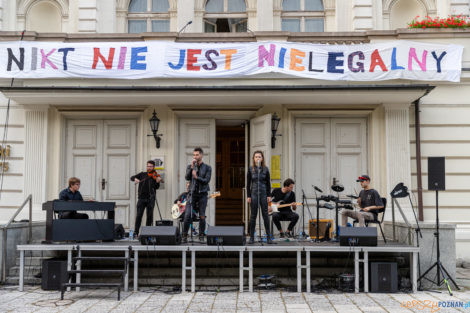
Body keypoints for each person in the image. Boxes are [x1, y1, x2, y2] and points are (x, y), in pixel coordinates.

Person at [182, 147, 212, 242]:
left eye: (197, 155)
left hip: (202, 194)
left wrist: (197, 177)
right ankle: (184, 235)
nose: (195, 156)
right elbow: (187, 177)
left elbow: (206, 181)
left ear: (201, 155)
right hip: (192, 193)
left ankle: (201, 235)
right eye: (194, 155)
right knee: (187, 215)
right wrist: (191, 169)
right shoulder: (190, 166)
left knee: (202, 215)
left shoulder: (207, 167)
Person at [247, 150, 272, 244]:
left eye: (259, 157)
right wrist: (248, 196)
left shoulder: (265, 169)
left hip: (263, 194)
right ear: (253, 159)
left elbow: (268, 183)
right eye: (256, 157)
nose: (258, 158)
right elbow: (248, 183)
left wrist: (269, 195)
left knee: (265, 215)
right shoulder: (250, 169)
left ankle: (269, 237)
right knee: (253, 216)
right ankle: (252, 237)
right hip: (254, 194)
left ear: (262, 159)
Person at [130, 160, 162, 235]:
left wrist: (157, 181)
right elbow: (132, 177)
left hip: (151, 198)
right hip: (141, 198)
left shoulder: (156, 176)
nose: (149, 168)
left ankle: (147, 233)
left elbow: (156, 187)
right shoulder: (142, 174)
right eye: (148, 166)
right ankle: (136, 232)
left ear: (154, 167)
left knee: (149, 216)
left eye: (150, 166)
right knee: (139, 215)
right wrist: (135, 179)